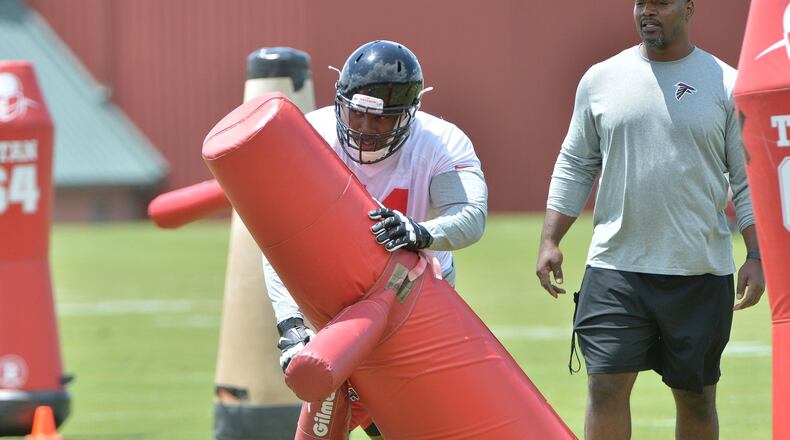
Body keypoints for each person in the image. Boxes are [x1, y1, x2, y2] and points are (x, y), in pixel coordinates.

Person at [535, 1, 765, 439]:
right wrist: (551, 239)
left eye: (661, 3)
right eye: (641, 3)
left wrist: (755, 253)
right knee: (604, 387)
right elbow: (575, 163)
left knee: (696, 396)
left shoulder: (725, 84)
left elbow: (746, 178)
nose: (647, 12)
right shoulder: (601, 79)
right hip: (616, 268)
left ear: (689, 8)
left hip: (698, 271)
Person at [264, 40, 488, 439]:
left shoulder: (439, 142)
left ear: (408, 115)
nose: (364, 130)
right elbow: (278, 242)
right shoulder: (311, 136)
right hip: (332, 300)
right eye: (356, 114)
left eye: (380, 121)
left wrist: (422, 232)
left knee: (410, 420)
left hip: (413, 296)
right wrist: (291, 323)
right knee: (330, 414)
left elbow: (470, 217)